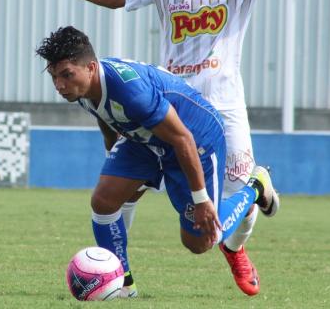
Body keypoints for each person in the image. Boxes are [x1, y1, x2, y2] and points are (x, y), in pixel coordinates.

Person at [30, 0, 326, 295]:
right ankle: (118, 277)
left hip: (221, 105)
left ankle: (247, 214)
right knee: (117, 192)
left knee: (227, 223)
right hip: (170, 104)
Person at [36, 26, 279, 297]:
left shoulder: (130, 92)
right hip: (146, 137)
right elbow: (105, 117)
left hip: (195, 137)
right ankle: (124, 285)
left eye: (66, 75)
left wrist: (200, 200)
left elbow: (183, 139)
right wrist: (113, 162)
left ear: (91, 67)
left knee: (201, 240)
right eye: (54, 76)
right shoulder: (82, 90)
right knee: (104, 201)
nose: (59, 85)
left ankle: (255, 187)